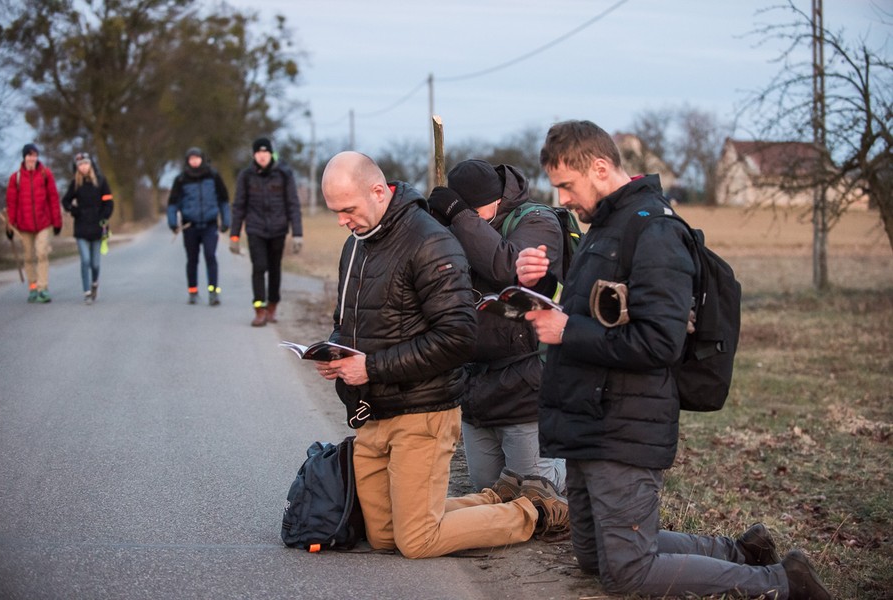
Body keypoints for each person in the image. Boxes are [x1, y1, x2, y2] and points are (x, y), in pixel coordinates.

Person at [515, 120, 832, 599]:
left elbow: (660, 342)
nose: (561, 199)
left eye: (566, 185)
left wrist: (567, 331)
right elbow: (588, 314)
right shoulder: (606, 228)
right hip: (587, 419)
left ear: (599, 168)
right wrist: (537, 287)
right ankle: (741, 551)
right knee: (593, 556)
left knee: (627, 573)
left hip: (623, 424)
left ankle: (784, 582)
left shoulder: (655, 231)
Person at [314, 151, 569, 559]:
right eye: (335, 211)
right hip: (373, 408)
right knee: (383, 536)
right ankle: (496, 499)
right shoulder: (355, 246)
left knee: (415, 540)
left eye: (347, 209)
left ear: (378, 191)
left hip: (423, 406)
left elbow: (456, 336)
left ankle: (531, 510)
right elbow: (348, 320)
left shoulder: (430, 241)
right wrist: (335, 349)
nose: (342, 220)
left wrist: (371, 366)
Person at [427, 158, 567, 496]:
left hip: (525, 381)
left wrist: (460, 217)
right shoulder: (461, 224)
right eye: (466, 212)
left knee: (535, 492)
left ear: (497, 198)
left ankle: (583, 473)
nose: (472, 218)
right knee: (488, 490)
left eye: (475, 211)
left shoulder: (538, 219)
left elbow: (507, 265)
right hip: (476, 384)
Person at [230, 137, 303, 326]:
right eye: (258, 152)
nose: (262, 156)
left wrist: (297, 233)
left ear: (271, 154)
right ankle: (259, 309)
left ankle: (272, 306)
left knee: (274, 269)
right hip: (255, 229)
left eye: (265, 152)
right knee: (259, 267)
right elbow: (239, 206)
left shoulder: (284, 175)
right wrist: (234, 235)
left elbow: (293, 204)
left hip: (278, 229)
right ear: (254, 155)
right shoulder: (246, 176)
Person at [167, 147, 231, 306]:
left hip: (210, 225)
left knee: (210, 256)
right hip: (190, 226)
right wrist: (173, 222)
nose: (194, 161)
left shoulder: (213, 176)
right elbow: (172, 203)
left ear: (202, 159)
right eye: (191, 159)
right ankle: (193, 291)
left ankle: (213, 291)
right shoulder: (181, 180)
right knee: (192, 259)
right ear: (187, 161)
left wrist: (226, 220)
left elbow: (224, 200)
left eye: (197, 158)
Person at [5, 143, 62, 303]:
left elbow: (53, 198)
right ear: (24, 157)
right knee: (29, 257)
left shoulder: (45, 174)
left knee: (42, 253)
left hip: (43, 222)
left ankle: (43, 288)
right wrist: (10, 225)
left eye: (35, 155)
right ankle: (33, 287)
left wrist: (57, 222)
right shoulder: (15, 178)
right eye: (29, 155)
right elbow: (12, 204)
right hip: (24, 225)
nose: (32, 158)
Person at [60, 152, 114, 304]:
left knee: (95, 264)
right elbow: (66, 201)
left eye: (86, 163)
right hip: (81, 227)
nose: (83, 167)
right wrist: (74, 210)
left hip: (97, 227)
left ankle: (95, 283)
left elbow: (109, 202)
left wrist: (104, 216)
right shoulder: (75, 184)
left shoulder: (101, 182)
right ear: (77, 167)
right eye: (80, 165)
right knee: (85, 260)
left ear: (90, 164)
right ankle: (87, 292)